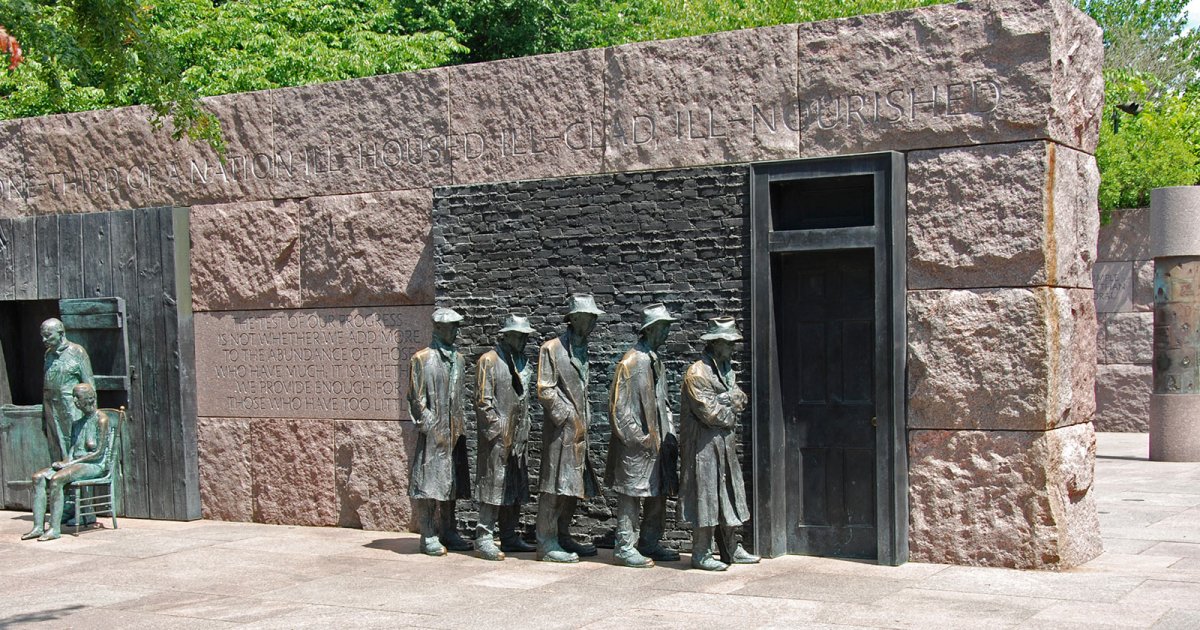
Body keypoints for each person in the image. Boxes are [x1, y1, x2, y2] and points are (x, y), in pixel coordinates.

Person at [678, 317, 760, 570]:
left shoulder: (727, 369)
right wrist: (729, 406)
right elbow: (710, 412)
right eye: (729, 343)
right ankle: (701, 553)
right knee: (706, 496)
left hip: (724, 443)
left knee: (729, 494)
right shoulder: (697, 373)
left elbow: (741, 399)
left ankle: (731, 549)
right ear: (716, 344)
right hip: (703, 445)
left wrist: (728, 400)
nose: (733, 348)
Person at [606, 303, 680, 568]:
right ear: (651, 330)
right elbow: (618, 408)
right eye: (664, 328)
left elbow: (664, 402)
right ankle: (625, 546)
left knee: (657, 493)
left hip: (659, 443)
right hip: (637, 446)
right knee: (631, 495)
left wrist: (669, 434)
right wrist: (639, 438)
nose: (667, 333)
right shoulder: (632, 362)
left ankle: (650, 542)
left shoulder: (654, 360)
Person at [535, 293, 604, 563]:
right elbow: (545, 390)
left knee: (573, 487)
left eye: (594, 320)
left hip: (579, 433)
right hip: (561, 432)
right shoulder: (551, 349)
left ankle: (562, 535)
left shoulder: (584, 347)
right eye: (588, 319)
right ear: (573, 319)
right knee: (553, 487)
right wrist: (569, 417)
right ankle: (546, 542)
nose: (592, 324)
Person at [407, 307, 472, 556]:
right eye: (452, 326)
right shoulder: (422, 359)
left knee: (451, 483)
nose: (456, 331)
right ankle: (429, 534)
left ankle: (449, 530)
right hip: (434, 433)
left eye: (457, 326)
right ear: (439, 328)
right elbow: (415, 398)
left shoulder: (459, 358)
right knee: (429, 486)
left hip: (455, 431)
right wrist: (429, 425)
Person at [474, 314, 537, 561]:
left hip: (519, 432)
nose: (523, 340)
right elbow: (482, 401)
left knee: (515, 483)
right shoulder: (488, 361)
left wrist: (524, 429)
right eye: (519, 336)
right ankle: (484, 537)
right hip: (498, 436)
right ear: (507, 335)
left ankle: (509, 535)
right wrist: (497, 430)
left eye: (525, 336)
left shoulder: (523, 361)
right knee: (493, 485)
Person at [22, 383, 112, 542]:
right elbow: (72, 452)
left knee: (57, 480)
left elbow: (98, 453)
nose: (75, 401)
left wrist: (69, 464)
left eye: (78, 397)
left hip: (94, 465)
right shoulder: (77, 423)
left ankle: (54, 529)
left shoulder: (101, 419)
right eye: (74, 397)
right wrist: (64, 462)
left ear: (90, 399)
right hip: (76, 463)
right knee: (37, 477)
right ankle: (37, 527)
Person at [41, 318, 95, 463]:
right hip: (51, 408)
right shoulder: (48, 354)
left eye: (48, 335)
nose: (44, 339)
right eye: (42, 336)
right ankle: (59, 482)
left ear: (61, 333)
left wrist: (92, 418)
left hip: (72, 407)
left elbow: (90, 386)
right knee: (55, 447)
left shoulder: (77, 352)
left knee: (74, 446)